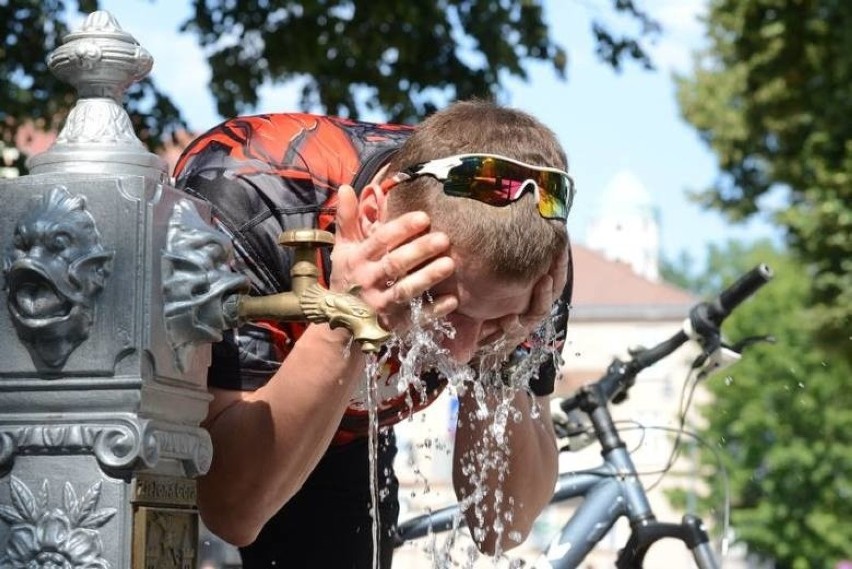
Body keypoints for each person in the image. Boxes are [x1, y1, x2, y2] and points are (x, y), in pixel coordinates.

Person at [173, 99, 575, 568]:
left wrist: (504, 359)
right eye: (437, 305)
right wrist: (346, 320)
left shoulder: (532, 259)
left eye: (494, 322)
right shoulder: (251, 192)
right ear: (370, 218)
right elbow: (231, 507)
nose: (462, 350)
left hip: (350, 439)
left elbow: (501, 524)